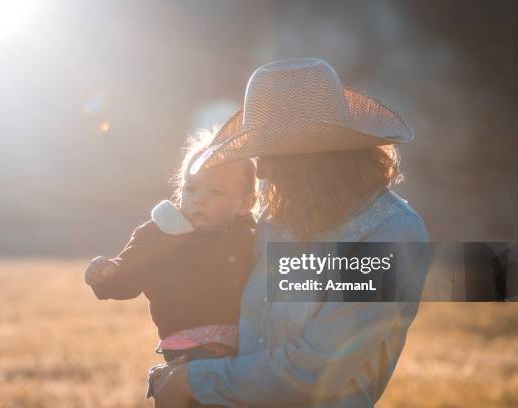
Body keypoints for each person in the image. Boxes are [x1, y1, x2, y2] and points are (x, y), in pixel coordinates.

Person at [151, 58, 430, 407]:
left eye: (271, 156)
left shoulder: (389, 233)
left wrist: (195, 379)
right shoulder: (279, 217)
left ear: (313, 159)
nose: (263, 171)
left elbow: (315, 369)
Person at [84, 131, 257, 407]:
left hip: (243, 347)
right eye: (191, 189)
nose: (200, 199)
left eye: (216, 192)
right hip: (190, 347)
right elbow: (130, 268)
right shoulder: (163, 232)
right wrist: (109, 272)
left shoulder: (248, 237)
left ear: (245, 204)